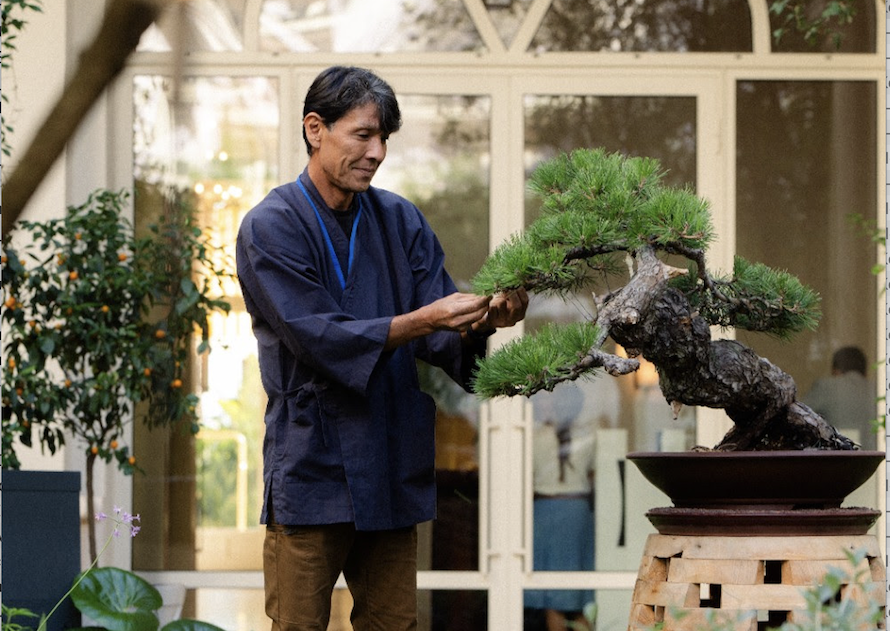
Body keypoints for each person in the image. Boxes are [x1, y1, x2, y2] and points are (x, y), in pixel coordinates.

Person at [236, 66, 528, 631]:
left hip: (389, 459)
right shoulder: (270, 227)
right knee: (297, 626)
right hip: (312, 464)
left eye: (384, 138)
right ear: (315, 128)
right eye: (363, 135)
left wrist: (486, 319)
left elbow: (444, 331)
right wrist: (420, 321)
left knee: (395, 625)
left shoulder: (400, 220)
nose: (377, 152)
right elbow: (316, 337)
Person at [524, 383, 596, 631]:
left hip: (546, 511)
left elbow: (524, 479)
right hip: (576, 512)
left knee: (553, 597)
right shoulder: (589, 435)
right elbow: (595, 475)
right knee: (571, 595)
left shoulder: (534, 436)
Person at [803, 346, 878, 450]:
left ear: (836, 371)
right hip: (872, 458)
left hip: (837, 459)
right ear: (865, 372)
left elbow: (799, 417)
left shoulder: (825, 387)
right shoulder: (877, 390)